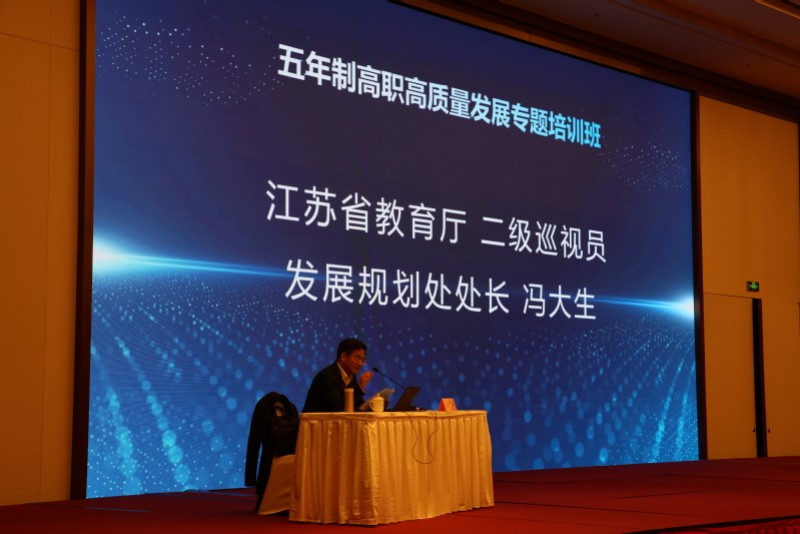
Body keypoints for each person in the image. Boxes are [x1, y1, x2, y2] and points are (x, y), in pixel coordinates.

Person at [302, 338, 374, 412]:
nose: (360, 363)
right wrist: (360, 387)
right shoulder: (327, 377)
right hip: (317, 419)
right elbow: (338, 407)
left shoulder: (351, 377)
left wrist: (374, 407)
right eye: (357, 358)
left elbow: (356, 404)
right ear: (343, 357)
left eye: (362, 359)